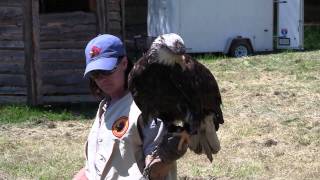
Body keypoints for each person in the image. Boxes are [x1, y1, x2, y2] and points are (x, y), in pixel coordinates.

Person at [73, 34, 187, 180]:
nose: (102, 79)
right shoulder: (105, 106)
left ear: (124, 63)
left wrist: (165, 158)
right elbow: (97, 168)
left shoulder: (146, 105)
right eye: (95, 74)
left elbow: (157, 172)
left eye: (107, 71)